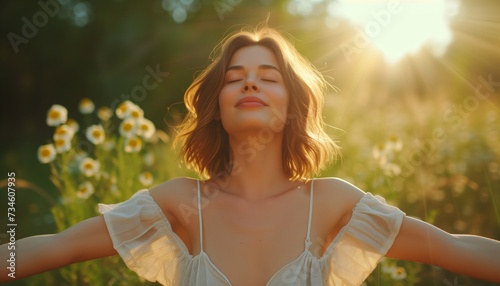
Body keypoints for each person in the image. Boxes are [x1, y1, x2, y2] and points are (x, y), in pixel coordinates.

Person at [1, 26, 500, 286]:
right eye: (236, 77)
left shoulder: (330, 205)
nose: (251, 81)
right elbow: (54, 248)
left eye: (269, 75)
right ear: (217, 107)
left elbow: (454, 246)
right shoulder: (178, 205)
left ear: (293, 106)